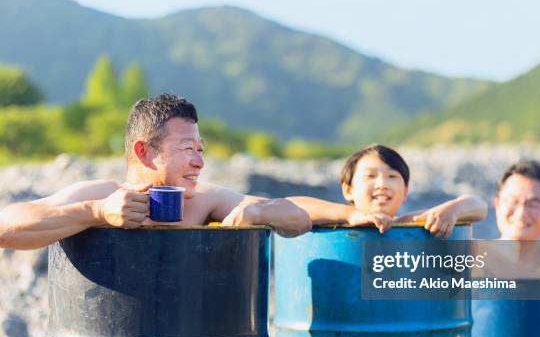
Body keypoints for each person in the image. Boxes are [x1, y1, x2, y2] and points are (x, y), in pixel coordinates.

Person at [0, 94, 312, 250]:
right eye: (187, 148)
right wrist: (96, 213)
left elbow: (299, 217)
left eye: (200, 149)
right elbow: (6, 227)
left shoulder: (204, 201)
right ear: (144, 152)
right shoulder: (103, 196)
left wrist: (257, 213)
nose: (199, 163)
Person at [288, 144, 487, 237]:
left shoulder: (409, 223)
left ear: (406, 191)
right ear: (348, 190)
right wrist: (351, 215)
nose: (382, 184)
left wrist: (453, 209)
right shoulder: (337, 218)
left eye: (392, 176)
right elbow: (289, 207)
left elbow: (479, 207)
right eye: (370, 176)